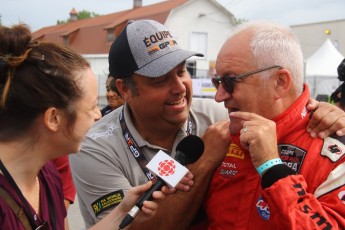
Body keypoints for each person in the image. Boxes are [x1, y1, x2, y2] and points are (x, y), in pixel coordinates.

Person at [70, 19, 345, 230]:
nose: (180, 88)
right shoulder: (95, 147)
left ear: (280, 83)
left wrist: (325, 113)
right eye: (160, 80)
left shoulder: (224, 116)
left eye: (181, 72)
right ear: (125, 89)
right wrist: (205, 161)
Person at [0, 23, 169, 230]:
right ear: (54, 118)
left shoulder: (47, 176)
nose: (99, 115)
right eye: (91, 107)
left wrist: (121, 212)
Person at [201, 20, 345, 229]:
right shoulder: (220, 138)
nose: (219, 96)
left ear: (280, 83)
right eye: (218, 82)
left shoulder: (334, 151)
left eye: (230, 82)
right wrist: (200, 166)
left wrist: (272, 168)